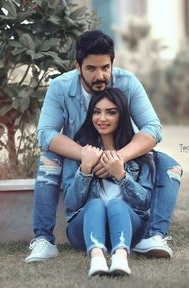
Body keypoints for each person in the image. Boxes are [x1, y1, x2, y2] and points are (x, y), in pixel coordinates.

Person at [25, 30, 182, 263]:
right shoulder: (60, 87)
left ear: (112, 63)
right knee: (48, 159)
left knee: (169, 164)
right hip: (78, 157)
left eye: (105, 67)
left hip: (122, 156)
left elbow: (152, 128)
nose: (100, 75)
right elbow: (46, 134)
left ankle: (155, 236)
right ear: (78, 66)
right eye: (91, 68)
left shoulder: (127, 82)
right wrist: (89, 156)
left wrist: (115, 158)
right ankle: (44, 240)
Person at [64, 88, 156, 276]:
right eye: (97, 111)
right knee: (96, 204)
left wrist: (121, 176)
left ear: (122, 115)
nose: (102, 118)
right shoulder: (79, 150)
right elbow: (71, 204)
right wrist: (85, 169)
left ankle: (120, 258)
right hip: (82, 230)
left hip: (129, 228)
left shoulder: (140, 154)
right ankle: (97, 259)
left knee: (116, 204)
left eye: (111, 112)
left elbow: (144, 203)